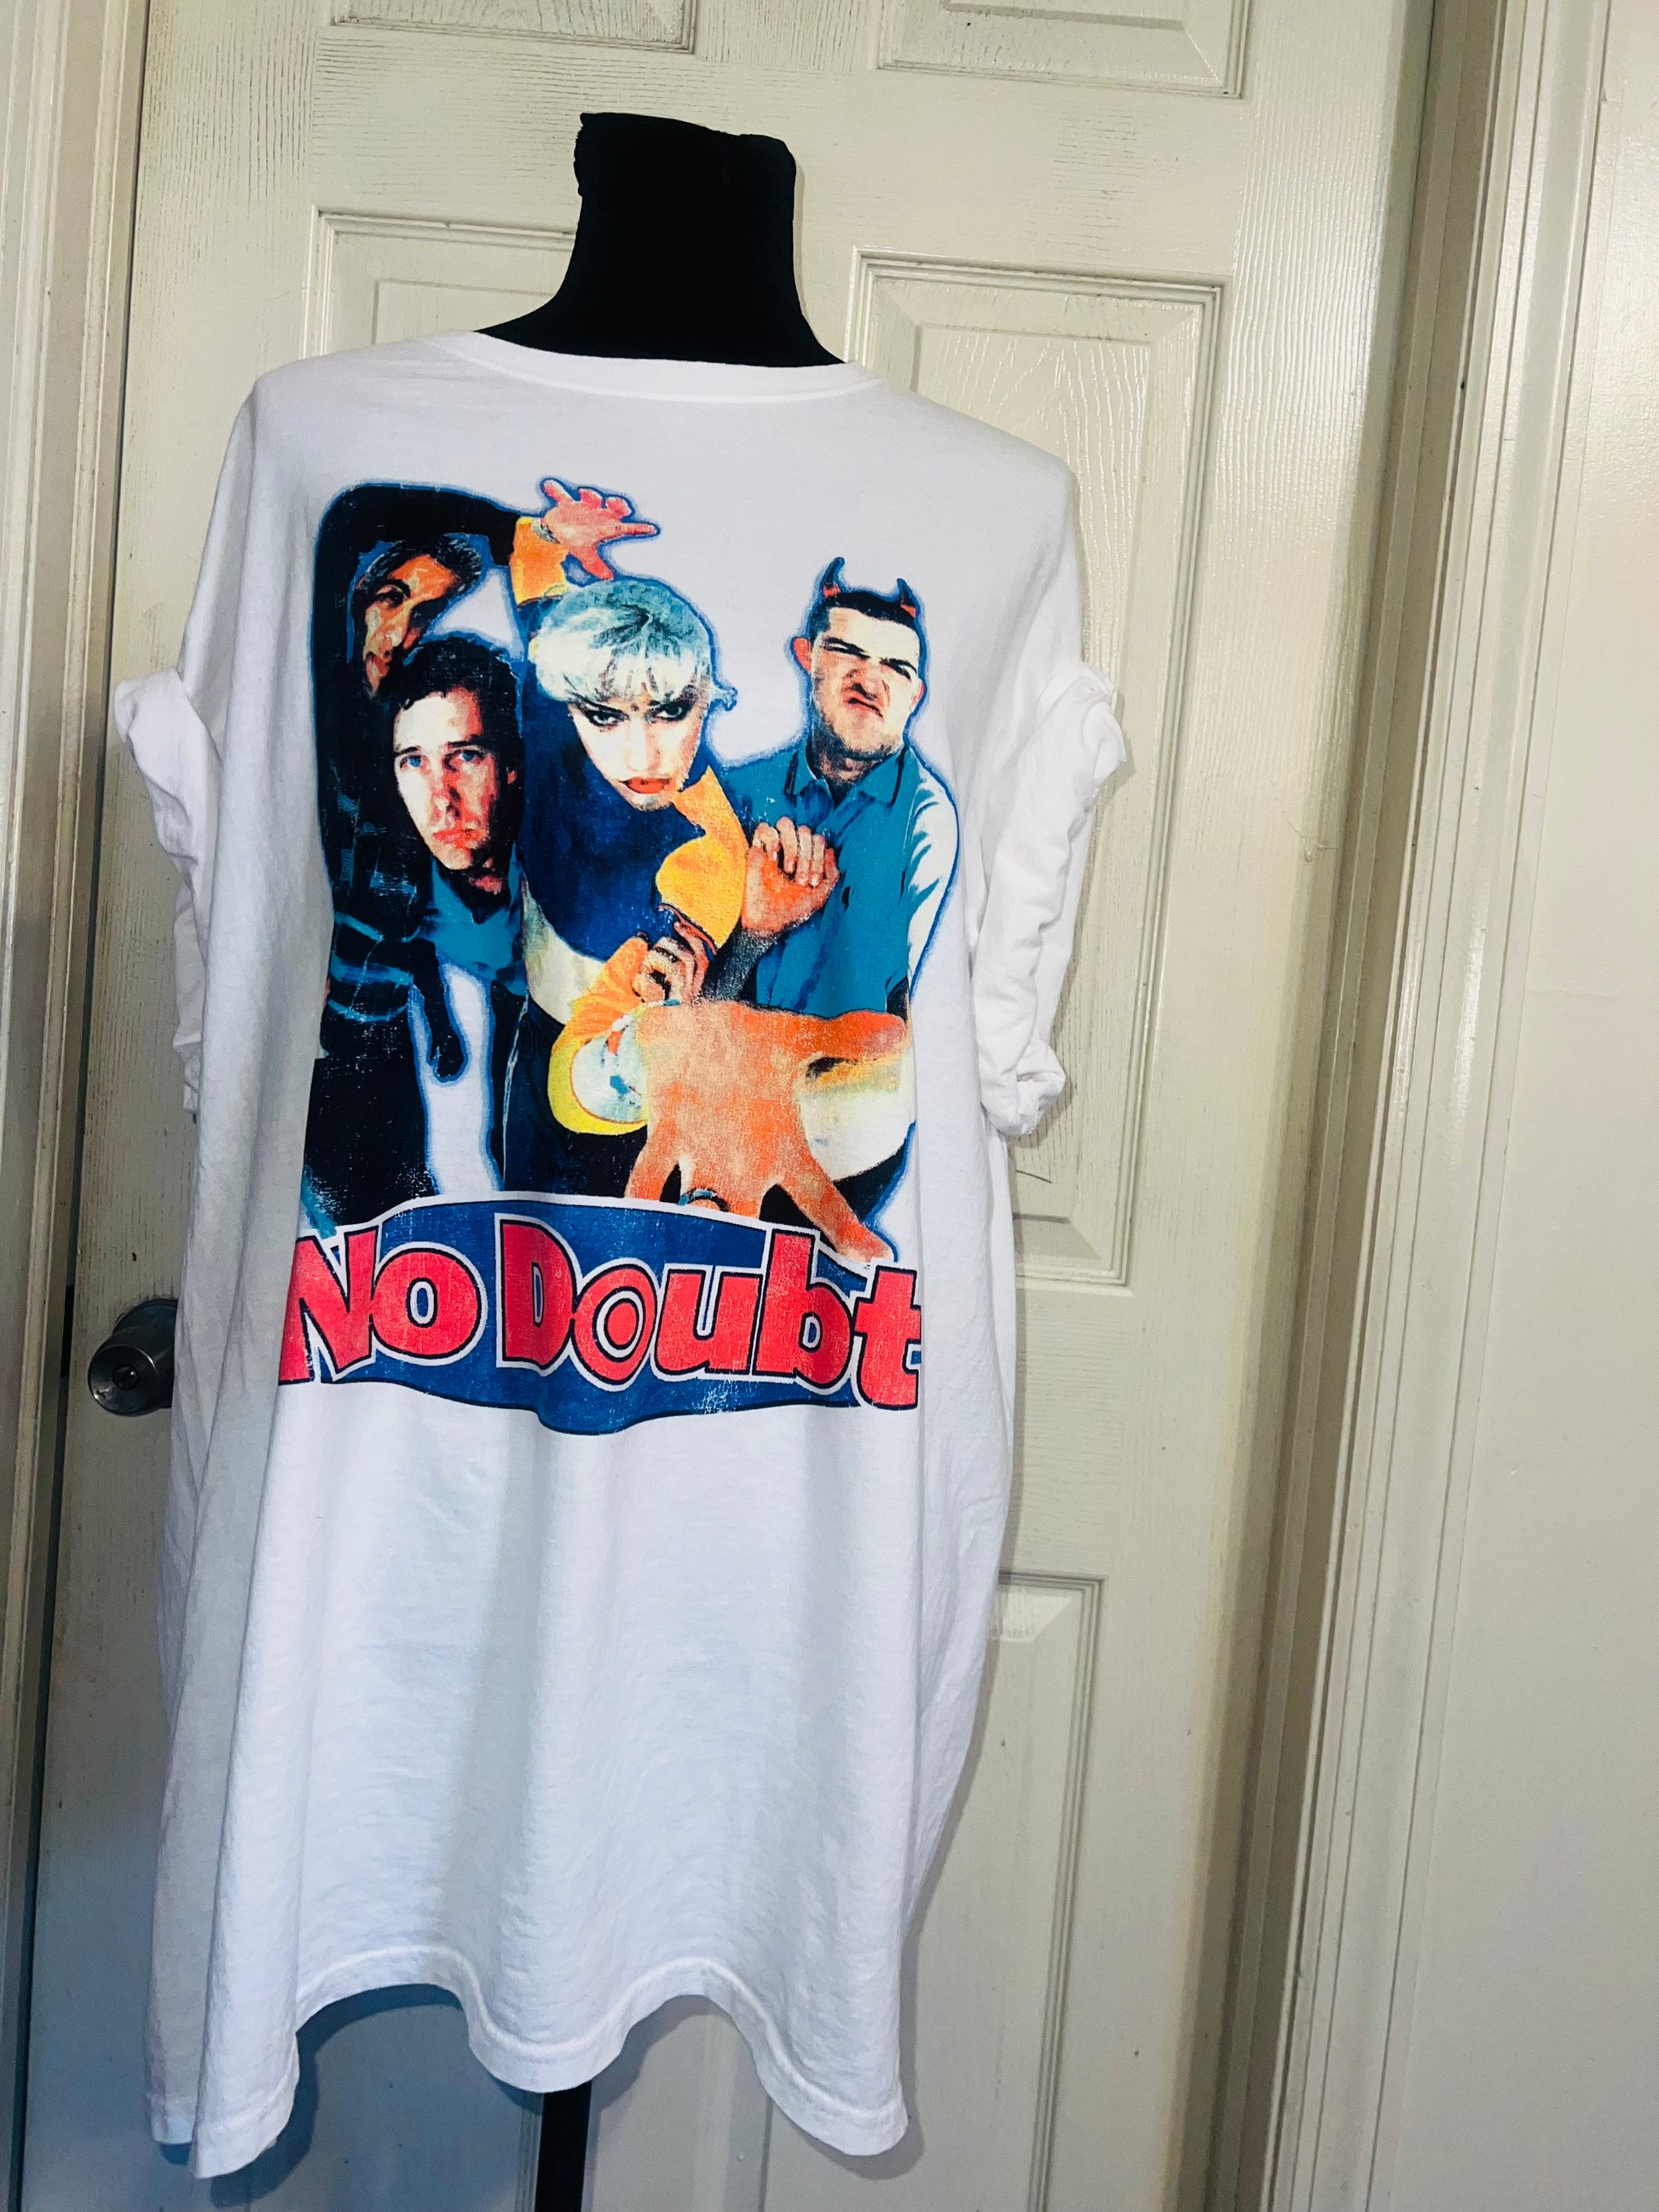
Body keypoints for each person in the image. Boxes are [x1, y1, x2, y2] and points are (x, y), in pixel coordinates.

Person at [713, 560, 959, 1226]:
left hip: (850, 1145)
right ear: (808, 658)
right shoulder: (737, 794)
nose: (869, 680)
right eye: (847, 651)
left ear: (916, 692)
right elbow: (689, 1008)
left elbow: (916, 1019)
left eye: (895, 668)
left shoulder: (928, 822)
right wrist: (755, 932)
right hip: (725, 1127)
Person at [302, 636, 525, 1227]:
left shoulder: (561, 883)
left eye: (464, 757)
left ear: (511, 764)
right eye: (414, 762)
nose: (440, 799)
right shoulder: (383, 904)